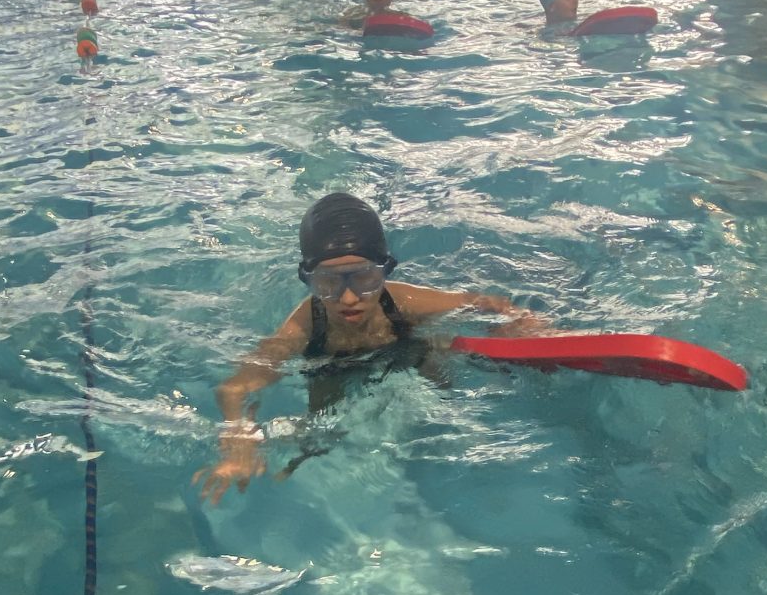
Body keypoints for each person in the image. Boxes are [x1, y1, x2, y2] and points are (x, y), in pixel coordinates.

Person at [195, 193, 540, 504]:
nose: (348, 298)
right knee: (320, 438)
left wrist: (520, 324)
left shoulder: (403, 302)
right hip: (329, 364)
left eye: (363, 278)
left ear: (385, 271)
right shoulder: (304, 326)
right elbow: (235, 387)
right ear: (308, 279)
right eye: (328, 282)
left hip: (404, 349)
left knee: (445, 394)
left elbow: (487, 304)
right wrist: (238, 437)